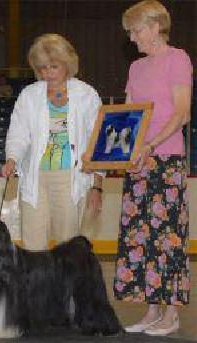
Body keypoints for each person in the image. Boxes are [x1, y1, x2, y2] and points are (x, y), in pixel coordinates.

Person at [113, 0, 192, 336]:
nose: (132, 38)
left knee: (167, 237)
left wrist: (151, 145)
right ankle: (151, 311)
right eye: (130, 31)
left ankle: (171, 315)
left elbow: (182, 114)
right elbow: (128, 118)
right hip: (140, 161)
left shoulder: (178, 59)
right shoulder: (136, 68)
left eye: (136, 30)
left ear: (155, 26)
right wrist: (122, 151)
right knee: (140, 237)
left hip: (167, 159)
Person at [1, 33, 103, 251]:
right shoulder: (29, 95)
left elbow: (98, 142)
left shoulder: (87, 95)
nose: (48, 73)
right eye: (42, 68)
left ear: (67, 64)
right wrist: (12, 158)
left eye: (53, 66)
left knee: (68, 249)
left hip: (70, 178)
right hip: (34, 179)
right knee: (32, 247)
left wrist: (97, 186)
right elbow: (18, 133)